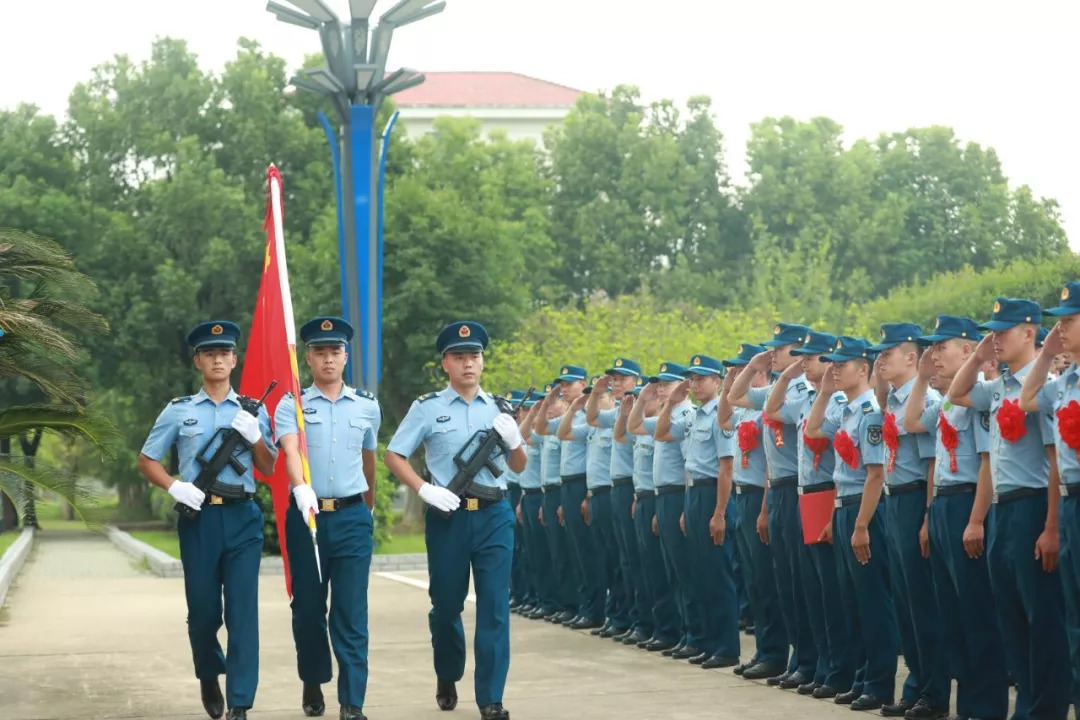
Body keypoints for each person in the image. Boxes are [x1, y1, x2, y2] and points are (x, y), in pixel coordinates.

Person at [384, 321, 527, 720]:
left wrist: (514, 440)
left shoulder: (500, 408)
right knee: (446, 606)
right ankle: (447, 673)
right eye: (460, 357)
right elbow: (394, 454)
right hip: (448, 519)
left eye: (475, 357)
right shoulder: (427, 407)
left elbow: (518, 464)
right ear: (446, 363)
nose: (469, 364)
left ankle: (491, 698)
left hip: (494, 516)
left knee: (495, 607)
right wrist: (423, 489)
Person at [137, 321, 277, 720]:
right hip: (199, 520)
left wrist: (254, 437)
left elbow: (267, 467)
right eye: (209, 353)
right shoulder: (178, 410)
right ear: (198, 360)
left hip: (243, 518)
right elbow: (147, 460)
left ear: (234, 359)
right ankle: (209, 674)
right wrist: (173, 486)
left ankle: (240, 702)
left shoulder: (253, 411)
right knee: (202, 613)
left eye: (224, 353)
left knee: (242, 613)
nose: (217, 359)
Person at [949, 297, 1069, 720]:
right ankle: (1029, 706)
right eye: (992, 331)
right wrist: (979, 354)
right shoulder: (999, 386)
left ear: (1030, 333)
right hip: (1001, 510)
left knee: (1042, 617)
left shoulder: (1042, 388)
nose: (995, 339)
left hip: (1033, 507)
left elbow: (1055, 460)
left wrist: (1051, 525)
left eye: (1003, 331)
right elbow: (957, 393)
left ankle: (1048, 708)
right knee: (1011, 617)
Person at [274, 316, 381, 720]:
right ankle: (313, 678)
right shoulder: (292, 404)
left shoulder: (367, 406)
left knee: (351, 611)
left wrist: (366, 510)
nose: (328, 359)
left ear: (346, 356)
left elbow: (368, 459)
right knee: (308, 609)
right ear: (309, 357)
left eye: (335, 351)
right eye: (320, 352)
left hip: (352, 518)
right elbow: (288, 450)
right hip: (308, 517)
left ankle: (352, 701)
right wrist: (301, 488)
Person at [903, 314, 1009, 720]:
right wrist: (921, 377)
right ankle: (968, 706)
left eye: (941, 347)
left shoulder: (978, 399)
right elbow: (912, 422)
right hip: (945, 504)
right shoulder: (947, 401)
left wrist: (977, 519)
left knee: (976, 614)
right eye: (929, 348)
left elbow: (986, 464)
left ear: (968, 350)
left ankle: (986, 707)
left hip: (968, 503)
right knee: (952, 616)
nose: (933, 355)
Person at [805, 336, 901, 711]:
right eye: (832, 363)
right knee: (853, 601)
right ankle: (863, 678)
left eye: (842, 364)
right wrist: (825, 392)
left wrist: (861, 525)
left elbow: (875, 475)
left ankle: (879, 683)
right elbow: (813, 430)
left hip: (866, 512)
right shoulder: (845, 410)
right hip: (844, 509)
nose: (834, 369)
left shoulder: (871, 414)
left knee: (874, 601)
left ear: (864, 369)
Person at [727, 322, 817, 690]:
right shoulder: (779, 389)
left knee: (801, 581)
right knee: (780, 580)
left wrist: (788, 373)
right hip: (777, 488)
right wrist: (752, 367)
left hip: (799, 487)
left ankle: (805, 660)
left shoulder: (805, 390)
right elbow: (734, 396)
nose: (774, 354)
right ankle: (785, 656)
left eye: (781, 348)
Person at [767, 330, 857, 700]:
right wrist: (786, 376)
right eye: (801, 357)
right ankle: (821, 665)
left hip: (828, 494)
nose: (805, 362)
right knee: (811, 590)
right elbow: (771, 411)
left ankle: (838, 670)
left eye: (814, 357)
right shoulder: (808, 397)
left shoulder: (841, 401)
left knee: (831, 592)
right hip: (805, 495)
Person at [869, 323, 948, 719]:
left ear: (912, 358)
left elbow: (934, 463)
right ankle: (916, 684)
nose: (881, 359)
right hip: (894, 501)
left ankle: (933, 693)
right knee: (905, 602)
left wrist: (928, 517)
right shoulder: (895, 401)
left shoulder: (925, 398)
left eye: (889, 352)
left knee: (922, 603)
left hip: (917, 497)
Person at [1019, 282, 1080, 717]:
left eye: (1070, 320)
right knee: (1074, 619)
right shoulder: (1065, 383)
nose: (1060, 327)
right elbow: (1026, 399)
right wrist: (1044, 353)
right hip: (1072, 501)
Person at [660, 354, 740, 669]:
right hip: (693, 493)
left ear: (717, 382)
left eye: (700, 379)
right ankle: (708, 642)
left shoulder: (721, 415)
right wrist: (671, 402)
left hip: (712, 494)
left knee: (718, 574)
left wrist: (720, 512)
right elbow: (662, 433)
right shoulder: (694, 416)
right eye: (691, 379)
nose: (693, 385)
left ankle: (726, 647)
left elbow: (726, 468)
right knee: (700, 574)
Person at [723, 343, 789, 681]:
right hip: (741, 495)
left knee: (765, 579)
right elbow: (726, 409)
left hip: (760, 496)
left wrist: (764, 509)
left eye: (743, 368)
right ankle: (764, 650)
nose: (735, 374)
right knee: (753, 580)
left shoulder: (767, 403)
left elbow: (769, 464)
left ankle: (776, 653)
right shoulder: (748, 406)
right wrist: (738, 375)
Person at [628, 362, 701, 659]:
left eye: (666, 384)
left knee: (683, 572)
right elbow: (632, 426)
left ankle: (691, 633)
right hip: (660, 497)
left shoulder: (687, 415)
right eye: (657, 384)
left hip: (677, 495)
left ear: (683, 386)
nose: (660, 389)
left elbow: (689, 468)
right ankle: (676, 631)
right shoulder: (664, 416)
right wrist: (644, 397)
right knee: (666, 570)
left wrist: (684, 506)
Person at [615, 380, 681, 652]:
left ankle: (668, 629)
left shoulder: (669, 423)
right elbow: (623, 432)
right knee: (643, 568)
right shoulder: (646, 426)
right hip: (642, 497)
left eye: (662, 389)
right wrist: (636, 403)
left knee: (663, 570)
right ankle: (650, 624)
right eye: (655, 389)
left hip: (662, 497)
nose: (658, 393)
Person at [588, 360, 649, 646]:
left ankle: (638, 619)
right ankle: (621, 616)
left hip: (632, 487)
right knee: (619, 558)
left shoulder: (642, 408)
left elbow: (624, 438)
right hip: (615, 488)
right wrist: (595, 393)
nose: (616, 382)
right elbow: (591, 418)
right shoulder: (616, 411)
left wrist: (627, 411)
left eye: (622, 378)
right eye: (613, 378)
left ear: (636, 379)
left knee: (635, 560)